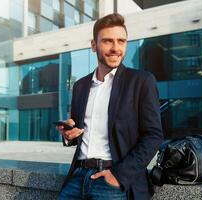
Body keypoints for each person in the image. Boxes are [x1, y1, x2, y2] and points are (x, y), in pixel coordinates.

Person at [57, 13, 163, 200]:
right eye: (107, 41)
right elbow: (79, 132)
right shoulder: (80, 86)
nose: (116, 48)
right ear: (93, 45)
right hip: (77, 178)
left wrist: (119, 176)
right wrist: (69, 135)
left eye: (121, 41)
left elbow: (153, 135)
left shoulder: (141, 81)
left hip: (112, 180)